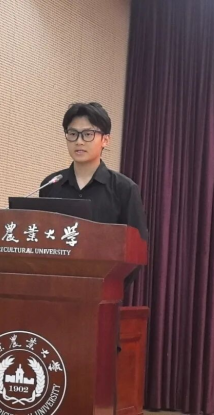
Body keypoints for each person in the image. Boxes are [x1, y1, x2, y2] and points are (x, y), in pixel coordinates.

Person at [39, 102, 148, 288]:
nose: (79, 141)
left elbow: (137, 250)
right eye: (72, 133)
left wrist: (112, 285)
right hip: (54, 290)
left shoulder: (124, 189)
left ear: (105, 140)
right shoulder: (51, 185)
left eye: (88, 134)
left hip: (103, 293)